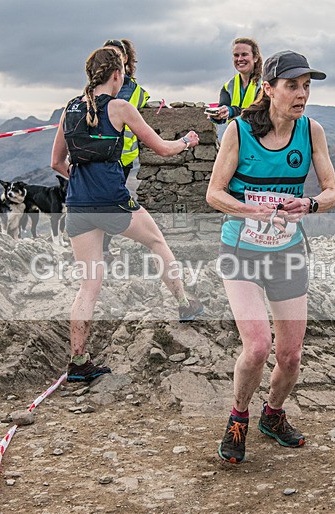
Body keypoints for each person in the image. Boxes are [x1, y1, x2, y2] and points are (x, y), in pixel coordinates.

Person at [206, 51, 335, 463]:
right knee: (259, 346)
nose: (301, 95)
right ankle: (238, 417)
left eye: (306, 87)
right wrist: (250, 210)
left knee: (291, 355)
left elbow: (332, 191)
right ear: (268, 89)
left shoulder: (311, 131)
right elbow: (214, 193)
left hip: (287, 252)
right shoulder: (239, 131)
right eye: (292, 86)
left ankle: (273, 415)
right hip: (242, 251)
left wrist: (311, 205)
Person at [51, 47, 204, 382]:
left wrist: (79, 181)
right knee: (157, 242)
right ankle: (185, 303)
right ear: (118, 74)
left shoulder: (70, 109)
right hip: (113, 201)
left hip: (78, 205)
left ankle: (78, 362)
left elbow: (56, 163)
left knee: (88, 286)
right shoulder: (120, 107)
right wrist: (188, 141)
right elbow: (162, 149)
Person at [100, 38, 149, 264]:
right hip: (99, 156)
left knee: (112, 203)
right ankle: (99, 250)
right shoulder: (95, 87)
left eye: (117, 55)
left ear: (126, 59)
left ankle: (104, 249)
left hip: (123, 158)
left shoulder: (136, 91)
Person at [209, 37, 262, 124]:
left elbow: (260, 113)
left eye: (244, 54)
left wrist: (232, 111)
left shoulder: (266, 84)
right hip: (235, 135)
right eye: (236, 55)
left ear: (255, 58)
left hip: (258, 136)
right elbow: (223, 118)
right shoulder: (228, 87)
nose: (240, 59)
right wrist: (217, 115)